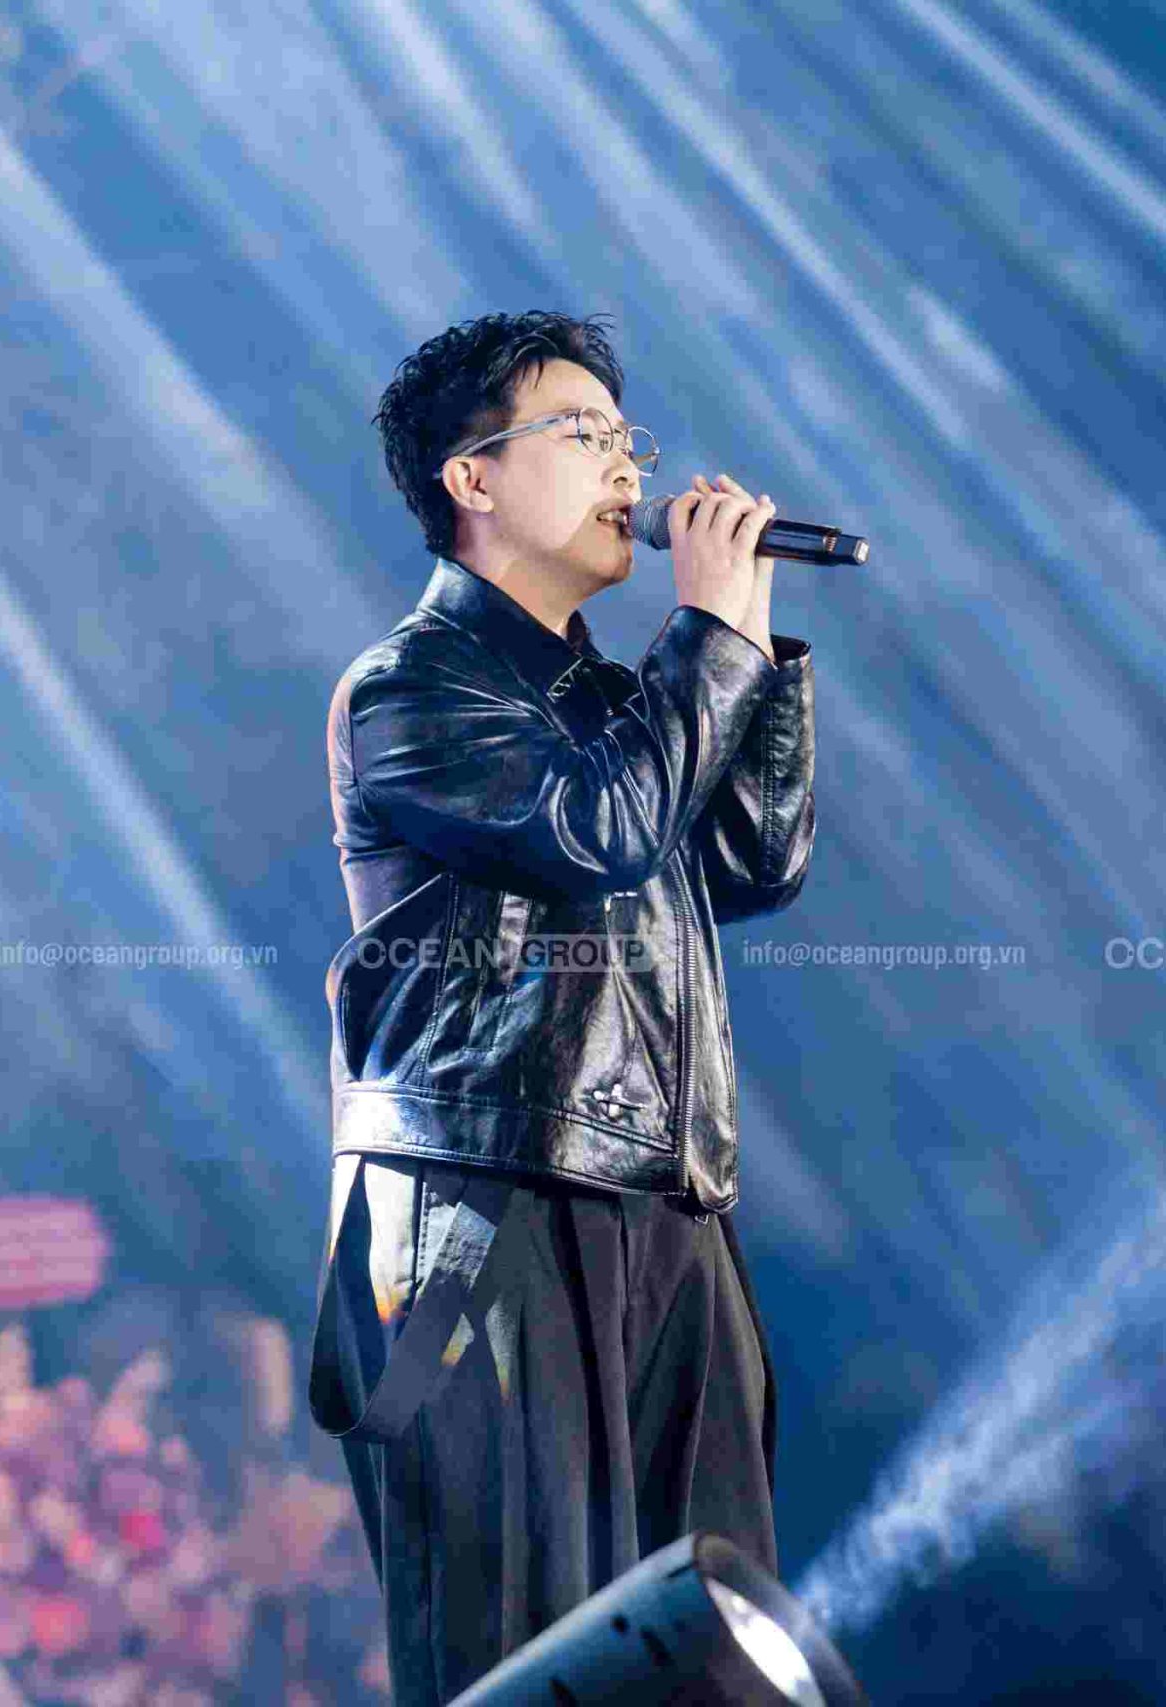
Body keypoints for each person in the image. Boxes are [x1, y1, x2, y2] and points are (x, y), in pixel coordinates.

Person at [304, 310, 818, 1703]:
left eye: (626, 438)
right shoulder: (408, 688)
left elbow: (753, 862)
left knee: (708, 1645)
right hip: (482, 1219)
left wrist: (750, 644)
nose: (627, 468)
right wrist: (706, 637)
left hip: (666, 1205)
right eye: (581, 433)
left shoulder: (627, 698)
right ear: (471, 478)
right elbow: (599, 830)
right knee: (525, 1647)